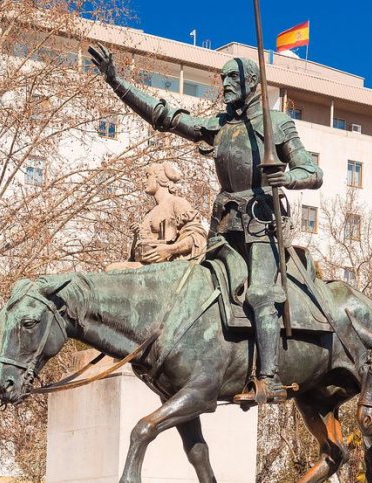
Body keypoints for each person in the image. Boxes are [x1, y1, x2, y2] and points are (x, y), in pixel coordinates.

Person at [89, 44, 323, 404]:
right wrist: (117, 82)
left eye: (232, 78)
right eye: (223, 78)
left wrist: (287, 177)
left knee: (260, 294)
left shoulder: (276, 123)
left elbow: (312, 171)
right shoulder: (220, 126)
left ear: (253, 83)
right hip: (225, 226)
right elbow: (165, 117)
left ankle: (270, 379)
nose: (225, 84)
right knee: (195, 287)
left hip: (262, 225)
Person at [106, 162, 207, 271]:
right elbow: (135, 255)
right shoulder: (149, 213)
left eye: (148, 176)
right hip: (146, 264)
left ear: (160, 178)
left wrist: (169, 250)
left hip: (168, 264)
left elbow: (197, 238)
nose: (144, 181)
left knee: (112, 269)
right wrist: (137, 236)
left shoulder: (177, 203)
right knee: (112, 269)